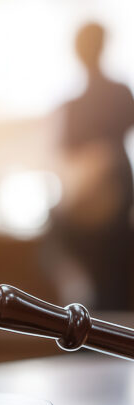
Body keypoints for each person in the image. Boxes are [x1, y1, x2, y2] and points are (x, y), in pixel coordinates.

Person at [50, 22, 134, 310]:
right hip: (92, 198)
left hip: (109, 196)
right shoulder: (112, 95)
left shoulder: (82, 103)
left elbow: (67, 156)